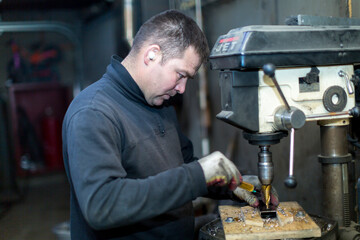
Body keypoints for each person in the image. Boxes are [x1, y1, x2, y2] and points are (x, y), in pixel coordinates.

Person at [62, 9, 278, 240]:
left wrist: (234, 185)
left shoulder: (159, 105)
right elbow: (101, 204)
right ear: (152, 55)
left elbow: (182, 170)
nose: (182, 89)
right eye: (180, 75)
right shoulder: (94, 112)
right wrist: (198, 175)